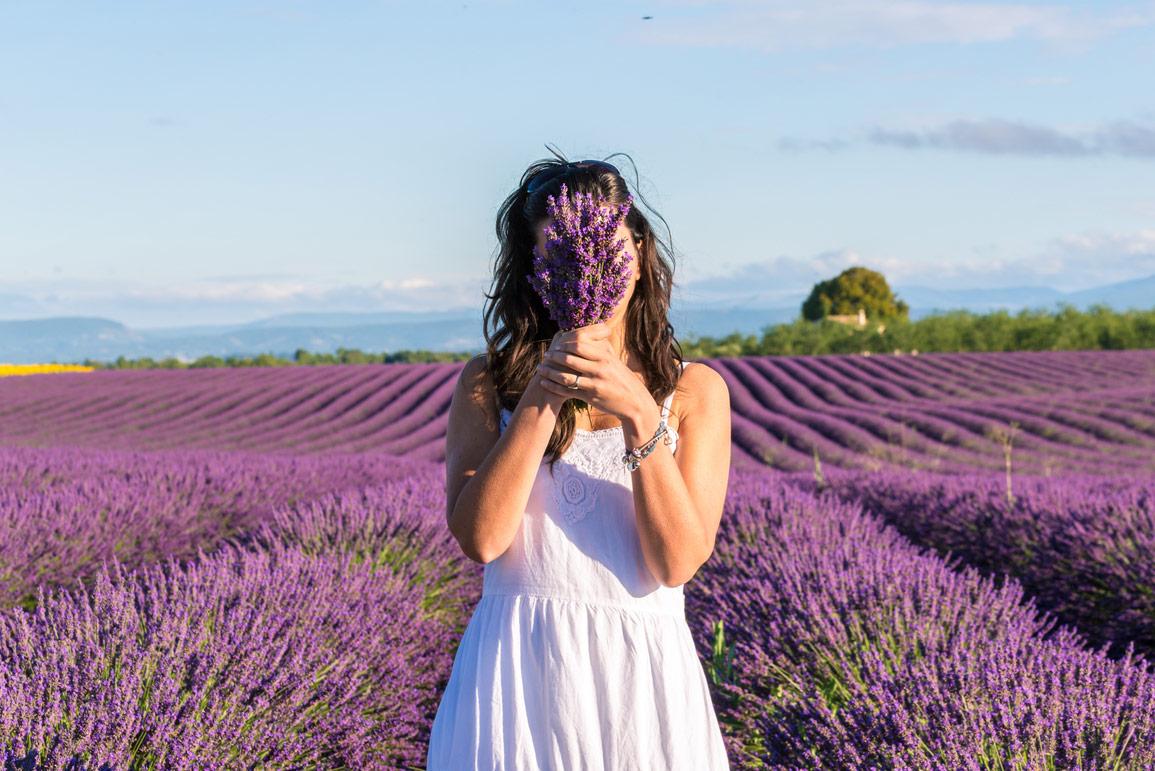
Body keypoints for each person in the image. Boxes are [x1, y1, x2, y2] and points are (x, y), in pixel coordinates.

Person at [427, 149, 732, 770]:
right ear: (537, 275)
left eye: (608, 252)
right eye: (556, 256)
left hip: (639, 681)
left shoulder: (695, 392)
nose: (590, 272)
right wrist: (541, 391)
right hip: (517, 671)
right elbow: (482, 540)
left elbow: (676, 562)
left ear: (641, 259)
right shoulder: (486, 385)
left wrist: (640, 413)